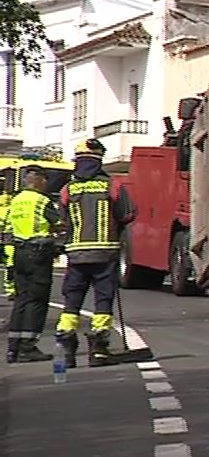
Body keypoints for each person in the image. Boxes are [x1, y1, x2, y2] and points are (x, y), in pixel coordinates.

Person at [53, 139, 136, 368]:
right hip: (105, 253)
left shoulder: (67, 190)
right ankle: (99, 348)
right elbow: (128, 214)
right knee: (103, 300)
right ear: (99, 160)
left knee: (72, 300)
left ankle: (67, 349)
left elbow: (63, 220)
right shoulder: (112, 186)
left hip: (76, 255)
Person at [5, 165, 63, 363]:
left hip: (19, 253)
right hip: (37, 254)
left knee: (21, 300)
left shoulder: (16, 200)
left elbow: (9, 230)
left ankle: (13, 347)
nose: (47, 184)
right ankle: (28, 347)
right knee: (36, 301)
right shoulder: (41, 200)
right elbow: (59, 223)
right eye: (45, 179)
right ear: (38, 180)